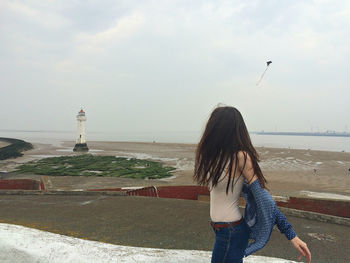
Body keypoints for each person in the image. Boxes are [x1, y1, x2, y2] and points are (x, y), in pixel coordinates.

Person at [193, 106, 311, 263]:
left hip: (231, 232)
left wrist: (292, 235)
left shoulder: (241, 157)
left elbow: (265, 200)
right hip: (221, 231)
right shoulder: (216, 157)